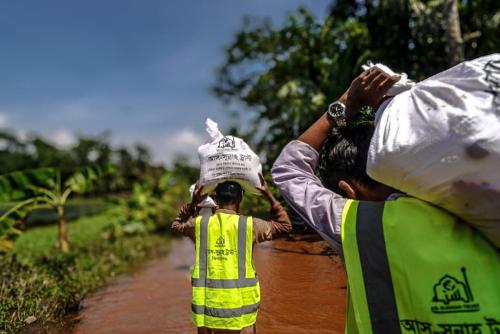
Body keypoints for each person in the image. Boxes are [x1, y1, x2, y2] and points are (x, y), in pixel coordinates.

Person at [271, 68, 500, 333]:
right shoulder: (476, 207)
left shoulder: (357, 226)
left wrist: (345, 105)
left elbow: (288, 170)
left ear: (347, 191)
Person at [171, 174, 292, 334]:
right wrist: (268, 196)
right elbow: (285, 226)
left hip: (207, 313)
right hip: (242, 314)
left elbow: (176, 226)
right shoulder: (251, 225)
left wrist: (193, 204)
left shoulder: (199, 224)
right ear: (240, 199)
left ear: (215, 198)